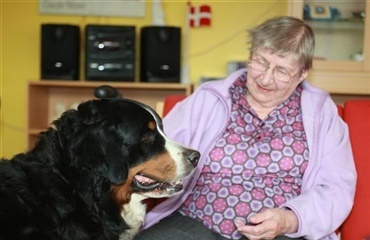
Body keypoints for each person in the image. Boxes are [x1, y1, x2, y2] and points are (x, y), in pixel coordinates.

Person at [134, 16, 356, 240]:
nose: (266, 79)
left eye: (282, 71)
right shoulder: (209, 98)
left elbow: (336, 188)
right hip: (197, 219)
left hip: (282, 233)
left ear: (302, 73)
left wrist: (290, 219)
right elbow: (160, 150)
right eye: (260, 62)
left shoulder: (321, 112)